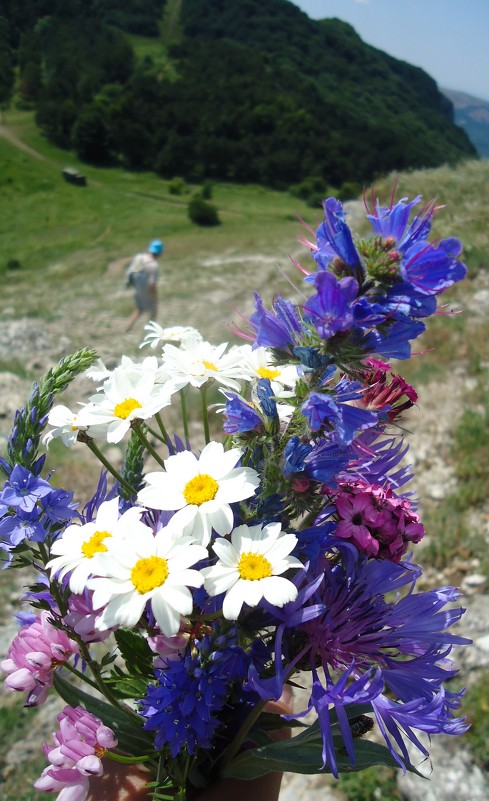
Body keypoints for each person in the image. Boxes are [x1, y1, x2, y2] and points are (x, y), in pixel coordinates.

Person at [125, 239, 164, 332]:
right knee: (153, 312)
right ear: (159, 253)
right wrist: (155, 295)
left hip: (138, 288)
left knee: (139, 309)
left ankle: (127, 327)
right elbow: (152, 284)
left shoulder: (140, 258)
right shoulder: (153, 266)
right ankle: (150, 331)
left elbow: (135, 271)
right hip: (147, 292)